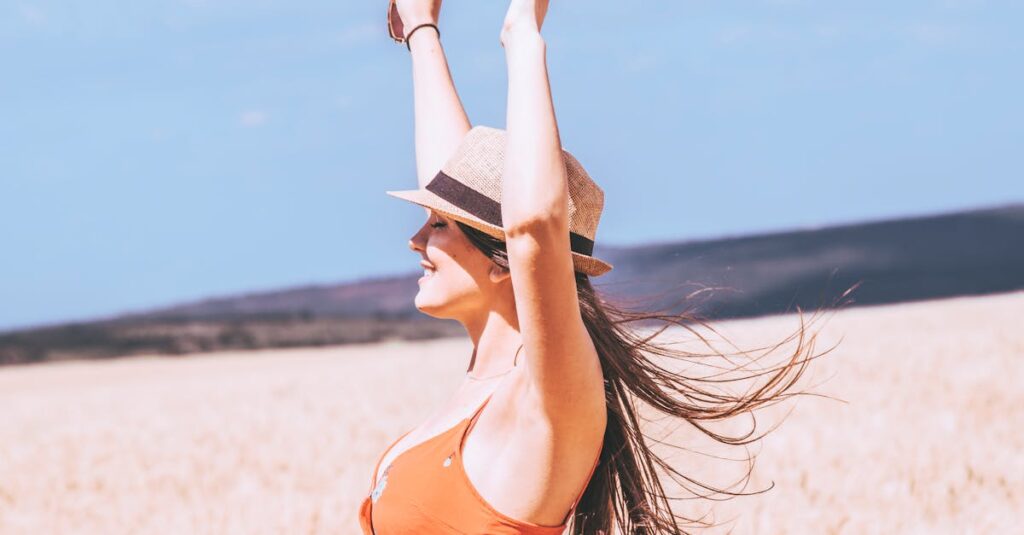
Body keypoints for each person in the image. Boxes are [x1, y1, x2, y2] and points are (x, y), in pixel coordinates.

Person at [360, 1, 838, 533]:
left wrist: (522, 33)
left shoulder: (547, 396)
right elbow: (461, 192)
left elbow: (533, 227)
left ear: (504, 263)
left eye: (438, 227)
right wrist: (421, 30)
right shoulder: (480, 391)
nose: (414, 240)